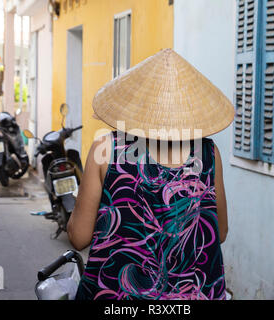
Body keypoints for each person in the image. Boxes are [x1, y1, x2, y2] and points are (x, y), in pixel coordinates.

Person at [67, 49, 235, 300]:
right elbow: (219, 233)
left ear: (137, 104)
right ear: (187, 110)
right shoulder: (208, 154)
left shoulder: (106, 149)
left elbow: (79, 237)